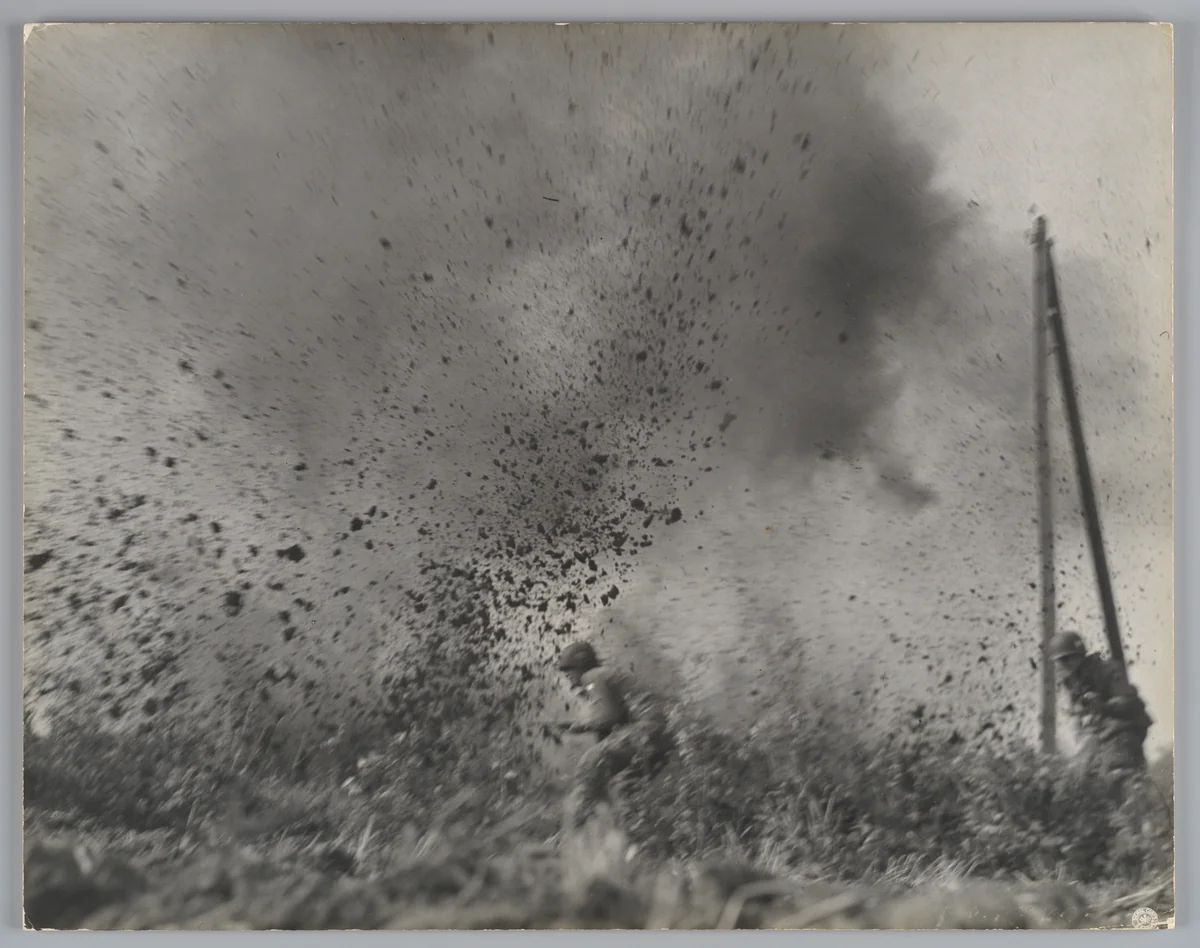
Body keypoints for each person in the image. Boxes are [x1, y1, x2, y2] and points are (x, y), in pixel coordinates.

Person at [549, 640, 673, 831]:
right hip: (666, 735)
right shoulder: (605, 678)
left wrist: (577, 727)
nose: (566, 676)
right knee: (623, 787)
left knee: (591, 762)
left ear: (581, 665)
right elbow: (614, 725)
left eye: (568, 669)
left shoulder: (592, 676)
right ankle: (636, 835)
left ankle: (571, 830)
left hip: (648, 728)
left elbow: (609, 716)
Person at [1050, 631, 1152, 780]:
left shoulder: (1107, 669)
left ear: (1079, 656)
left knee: (1118, 770)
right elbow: (1079, 719)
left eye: (1066, 659)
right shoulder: (1071, 682)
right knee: (1082, 774)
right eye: (1059, 661)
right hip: (1100, 732)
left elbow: (1132, 704)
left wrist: (1103, 706)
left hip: (1126, 727)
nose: (1062, 665)